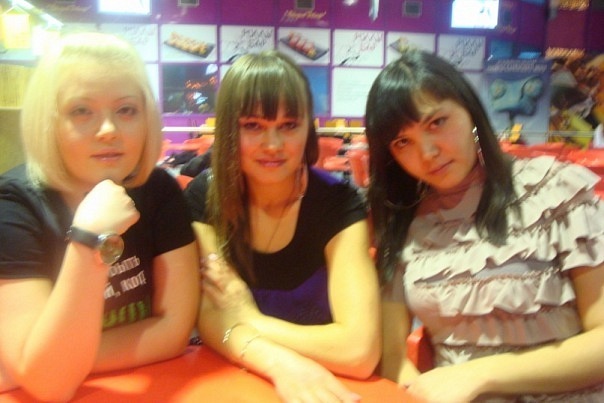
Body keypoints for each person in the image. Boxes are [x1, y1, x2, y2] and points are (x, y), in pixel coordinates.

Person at [364, 48, 604, 402]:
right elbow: (394, 359)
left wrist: (480, 375)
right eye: (403, 142)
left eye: (437, 123)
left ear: (470, 111)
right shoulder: (402, 222)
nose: (427, 152)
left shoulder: (555, 191)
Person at [0, 32, 199, 401]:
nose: (108, 131)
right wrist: (89, 236)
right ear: (49, 122)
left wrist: (45, 364)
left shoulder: (158, 190)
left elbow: (173, 332)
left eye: (126, 110)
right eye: (81, 111)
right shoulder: (13, 204)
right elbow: (52, 388)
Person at [183, 51, 380, 403]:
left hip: (325, 388)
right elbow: (213, 317)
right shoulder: (206, 197)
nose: (272, 145)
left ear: (308, 130)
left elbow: (359, 351)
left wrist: (249, 319)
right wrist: (280, 363)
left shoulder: (338, 203)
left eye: (288, 125)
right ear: (229, 130)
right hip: (231, 382)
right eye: (253, 126)